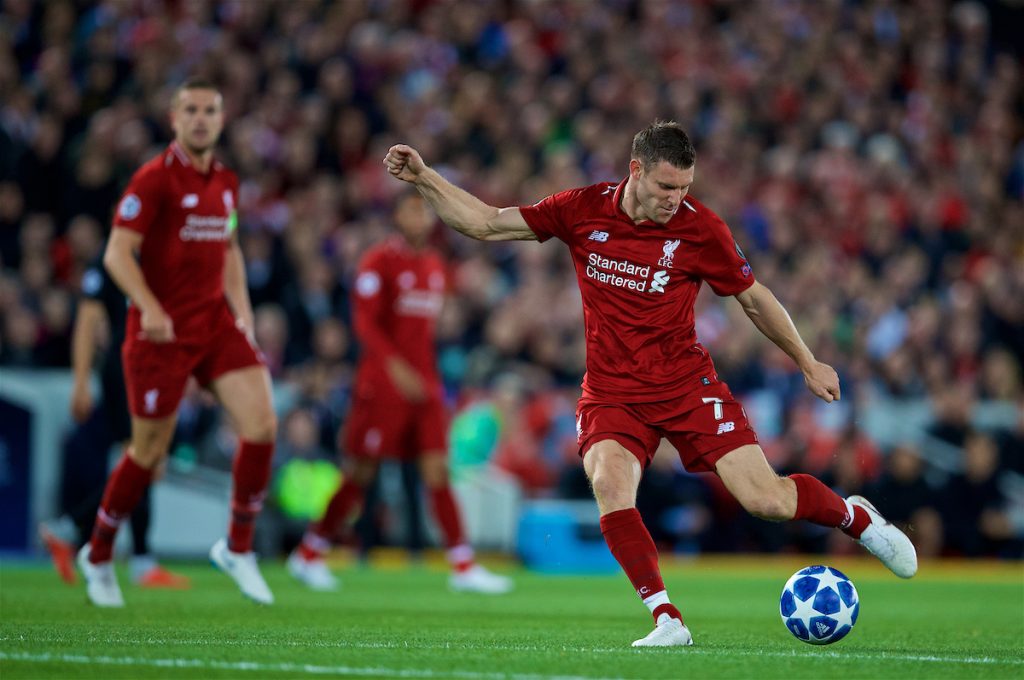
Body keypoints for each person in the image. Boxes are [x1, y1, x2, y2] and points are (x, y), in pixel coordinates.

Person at [381, 121, 917, 647]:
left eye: (685, 188)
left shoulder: (700, 228)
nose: (674, 199)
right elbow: (487, 222)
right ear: (635, 170)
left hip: (686, 385)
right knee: (609, 485)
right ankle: (666, 617)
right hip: (613, 392)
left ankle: (856, 517)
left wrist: (807, 360)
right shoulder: (581, 209)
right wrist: (426, 178)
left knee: (766, 500)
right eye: (666, 187)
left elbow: (753, 298)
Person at [76, 78, 277, 607]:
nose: (201, 119)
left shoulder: (227, 181)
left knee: (261, 425)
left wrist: (244, 314)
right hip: (158, 335)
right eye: (190, 110)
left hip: (212, 325)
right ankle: (97, 553)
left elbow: (229, 247)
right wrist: (151, 307)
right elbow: (117, 256)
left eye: (210, 110)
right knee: (148, 453)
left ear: (222, 118)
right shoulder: (152, 180)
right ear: (173, 118)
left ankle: (238, 548)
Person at [287, 192, 512, 595]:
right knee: (361, 472)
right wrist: (396, 371)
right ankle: (309, 552)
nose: (421, 217)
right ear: (397, 216)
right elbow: (366, 326)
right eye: (413, 209)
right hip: (382, 386)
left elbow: (425, 332)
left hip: (423, 385)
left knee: (437, 470)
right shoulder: (378, 262)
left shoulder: (433, 265)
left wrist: (426, 377)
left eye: (425, 211)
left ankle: (462, 564)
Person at [39, 251, 190, 589]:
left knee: (143, 462)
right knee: (143, 459)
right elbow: (88, 321)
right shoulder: (111, 258)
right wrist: (80, 380)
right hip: (126, 368)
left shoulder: (164, 251)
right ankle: (134, 557)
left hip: (152, 366)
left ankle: (74, 530)